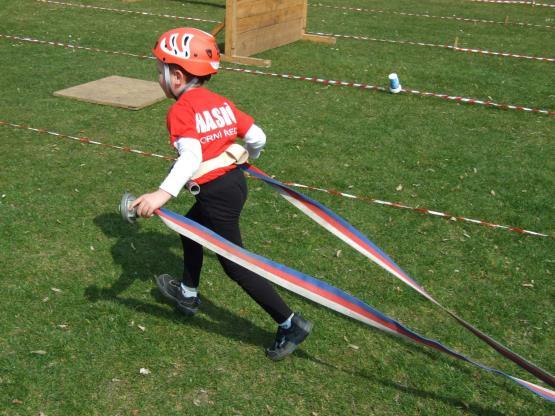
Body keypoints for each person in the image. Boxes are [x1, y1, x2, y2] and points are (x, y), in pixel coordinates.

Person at [131, 27, 312, 360]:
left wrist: (161, 194)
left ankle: (290, 323)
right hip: (233, 186)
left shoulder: (181, 111)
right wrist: (247, 160)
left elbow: (191, 157)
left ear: (177, 76)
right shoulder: (221, 103)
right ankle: (187, 294)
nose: (158, 78)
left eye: (160, 71)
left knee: (236, 266)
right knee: (189, 229)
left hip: (216, 196)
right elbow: (257, 136)